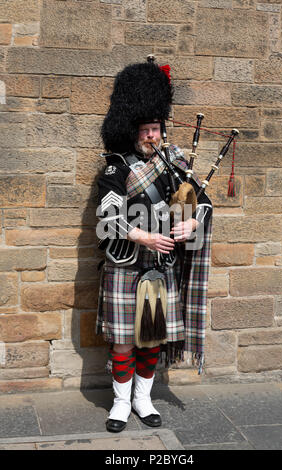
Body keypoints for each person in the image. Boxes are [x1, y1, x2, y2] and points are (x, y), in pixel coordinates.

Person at [95, 58, 213, 433]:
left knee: (151, 340)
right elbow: (106, 217)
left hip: (162, 268)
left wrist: (194, 220)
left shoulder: (176, 163)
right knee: (123, 343)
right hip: (126, 264)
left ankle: (143, 401)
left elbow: (206, 202)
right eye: (146, 129)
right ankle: (119, 404)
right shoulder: (116, 167)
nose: (152, 135)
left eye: (156, 128)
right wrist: (143, 235)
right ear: (133, 130)